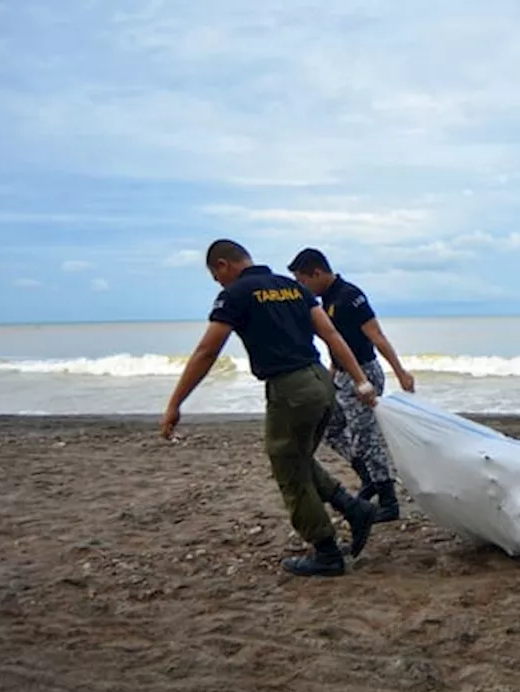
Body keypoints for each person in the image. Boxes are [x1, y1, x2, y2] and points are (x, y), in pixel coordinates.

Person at [161, 240, 381, 578]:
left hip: (291, 389)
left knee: (288, 470)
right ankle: (353, 508)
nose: (218, 284)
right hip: (321, 382)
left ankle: (326, 551)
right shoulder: (290, 287)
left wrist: (175, 403)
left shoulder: (236, 294)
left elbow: (207, 351)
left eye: (215, 276)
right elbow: (331, 335)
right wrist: (359, 379)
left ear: (223, 265)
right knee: (298, 458)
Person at [288, 248, 414, 522]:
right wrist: (331, 378)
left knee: (366, 437)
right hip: (343, 375)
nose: (301, 287)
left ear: (317, 273)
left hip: (365, 374)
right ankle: (367, 477)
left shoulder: (349, 296)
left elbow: (376, 336)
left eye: (303, 280)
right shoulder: (325, 300)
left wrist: (400, 372)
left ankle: (388, 500)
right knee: (331, 428)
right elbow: (336, 347)